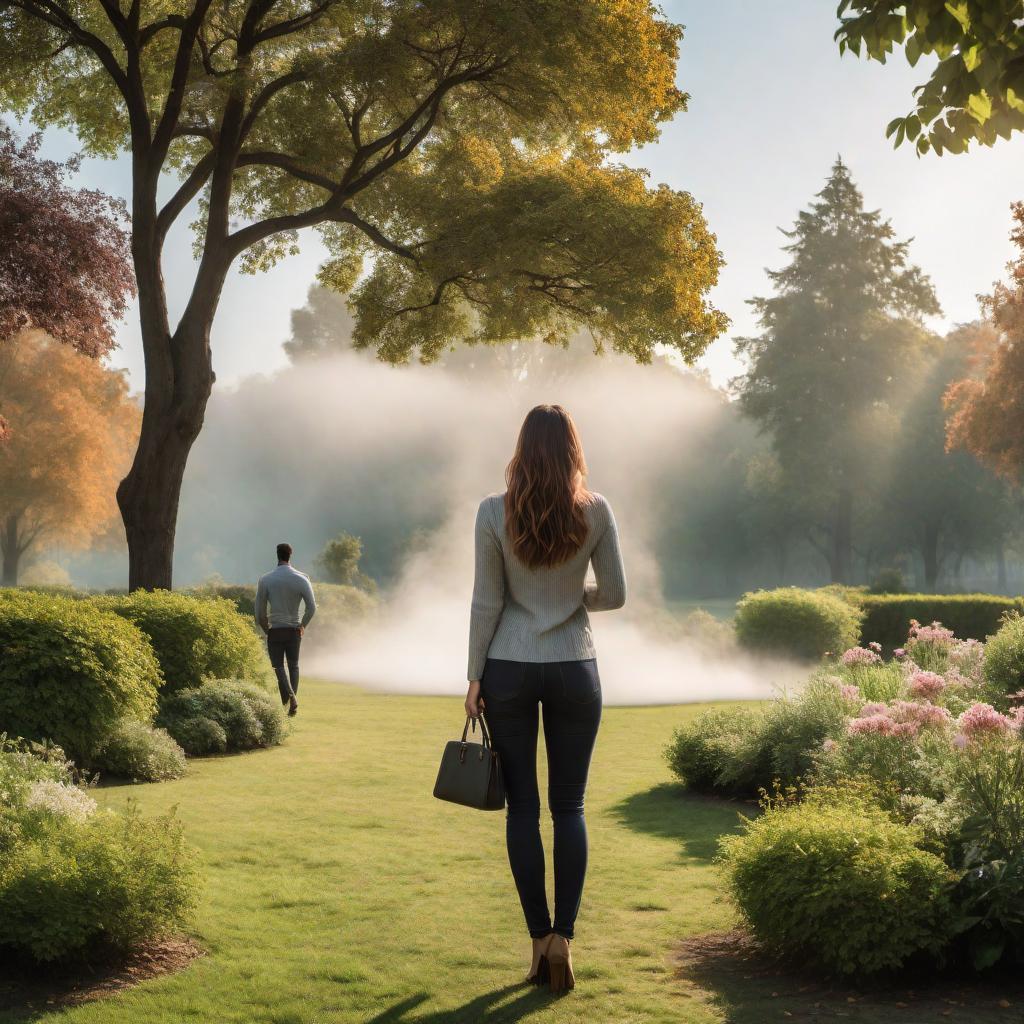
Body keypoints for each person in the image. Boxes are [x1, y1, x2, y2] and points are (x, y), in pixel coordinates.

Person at [465, 404, 626, 994]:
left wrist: (474, 675)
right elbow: (615, 594)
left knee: (523, 811)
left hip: (507, 668)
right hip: (574, 669)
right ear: (572, 450)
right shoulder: (598, 510)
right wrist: (569, 594)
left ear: (522, 448)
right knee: (571, 808)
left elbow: (486, 603)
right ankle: (565, 938)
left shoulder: (491, 512)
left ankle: (536, 942)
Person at [256, 543, 316, 717]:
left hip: (275, 629)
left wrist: (267, 629)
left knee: (277, 667)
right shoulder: (302, 578)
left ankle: (289, 699)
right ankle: (291, 704)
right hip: (293, 630)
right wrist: (302, 625)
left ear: (277, 555)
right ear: (291, 555)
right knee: (294, 667)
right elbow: (311, 608)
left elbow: (260, 612)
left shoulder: (266, 579)